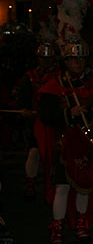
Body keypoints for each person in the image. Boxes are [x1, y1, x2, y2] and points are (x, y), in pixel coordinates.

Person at [38, 40, 93, 244]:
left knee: (85, 185)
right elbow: (45, 115)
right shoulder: (54, 85)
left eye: (81, 59)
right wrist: (67, 113)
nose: (78, 63)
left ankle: (82, 223)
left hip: (87, 142)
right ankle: (57, 227)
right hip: (64, 144)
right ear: (66, 61)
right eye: (74, 59)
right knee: (62, 186)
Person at [16, 42, 61, 200]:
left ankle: (54, 185)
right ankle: (30, 184)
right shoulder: (30, 76)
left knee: (56, 154)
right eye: (43, 58)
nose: (46, 61)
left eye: (49, 58)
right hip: (36, 121)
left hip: (55, 121)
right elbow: (23, 96)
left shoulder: (60, 76)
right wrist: (24, 109)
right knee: (34, 152)